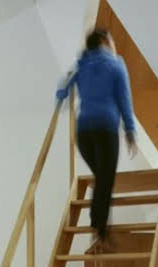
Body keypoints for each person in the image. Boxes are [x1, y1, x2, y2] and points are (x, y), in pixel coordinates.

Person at [56, 28, 137, 250]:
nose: (113, 44)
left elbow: (63, 87)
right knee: (105, 180)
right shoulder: (116, 64)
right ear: (103, 40)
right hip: (105, 130)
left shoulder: (80, 64)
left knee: (102, 179)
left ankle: (99, 231)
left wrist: (60, 100)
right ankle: (99, 231)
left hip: (83, 133)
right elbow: (124, 99)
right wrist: (130, 132)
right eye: (111, 39)